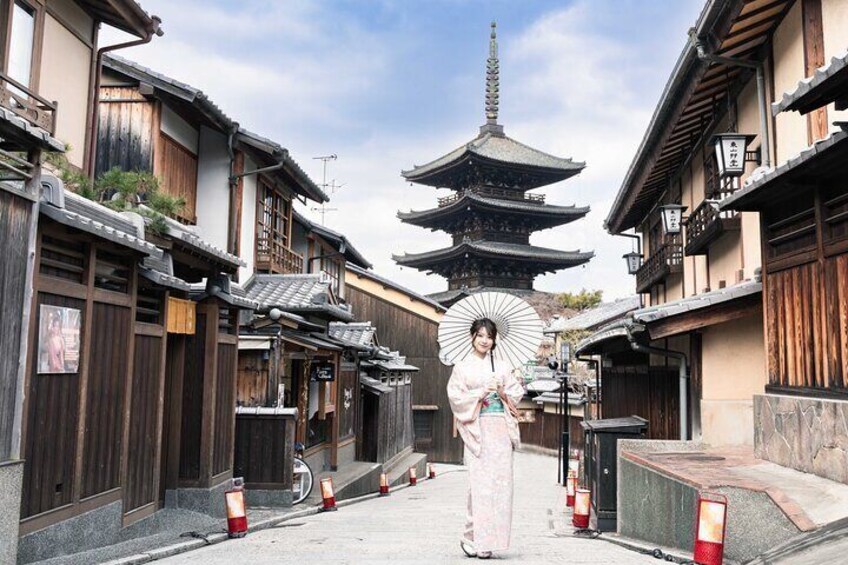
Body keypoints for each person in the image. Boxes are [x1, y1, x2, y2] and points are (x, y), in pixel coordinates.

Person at [447, 317, 525, 559]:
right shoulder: (462, 367)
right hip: (477, 428)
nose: (484, 340)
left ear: (494, 340)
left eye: (489, 337)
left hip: (500, 427)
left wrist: (501, 391)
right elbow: (456, 398)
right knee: (479, 485)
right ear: (472, 337)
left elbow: (516, 393)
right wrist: (480, 392)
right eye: (480, 335)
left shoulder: (502, 366)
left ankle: (489, 539)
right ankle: (474, 537)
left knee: (502, 485)